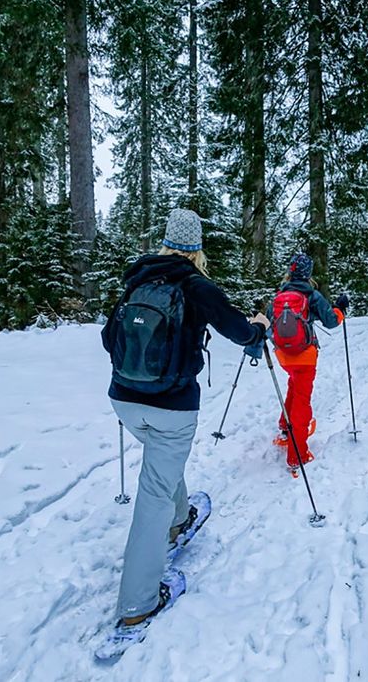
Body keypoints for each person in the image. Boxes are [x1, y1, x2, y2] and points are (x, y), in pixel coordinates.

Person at [102, 208, 269, 627]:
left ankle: (179, 521)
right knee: (153, 493)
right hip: (171, 407)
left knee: (162, 463)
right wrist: (259, 327)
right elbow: (239, 331)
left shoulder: (136, 280)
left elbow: (109, 339)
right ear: (196, 247)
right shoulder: (196, 285)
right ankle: (137, 605)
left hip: (124, 401)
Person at [269, 253, 349, 474]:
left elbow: (269, 325)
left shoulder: (280, 295)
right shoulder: (311, 295)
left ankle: (285, 426)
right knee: (302, 400)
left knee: (293, 385)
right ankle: (298, 455)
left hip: (283, 356)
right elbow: (332, 322)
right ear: (308, 273)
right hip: (305, 356)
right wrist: (340, 309)